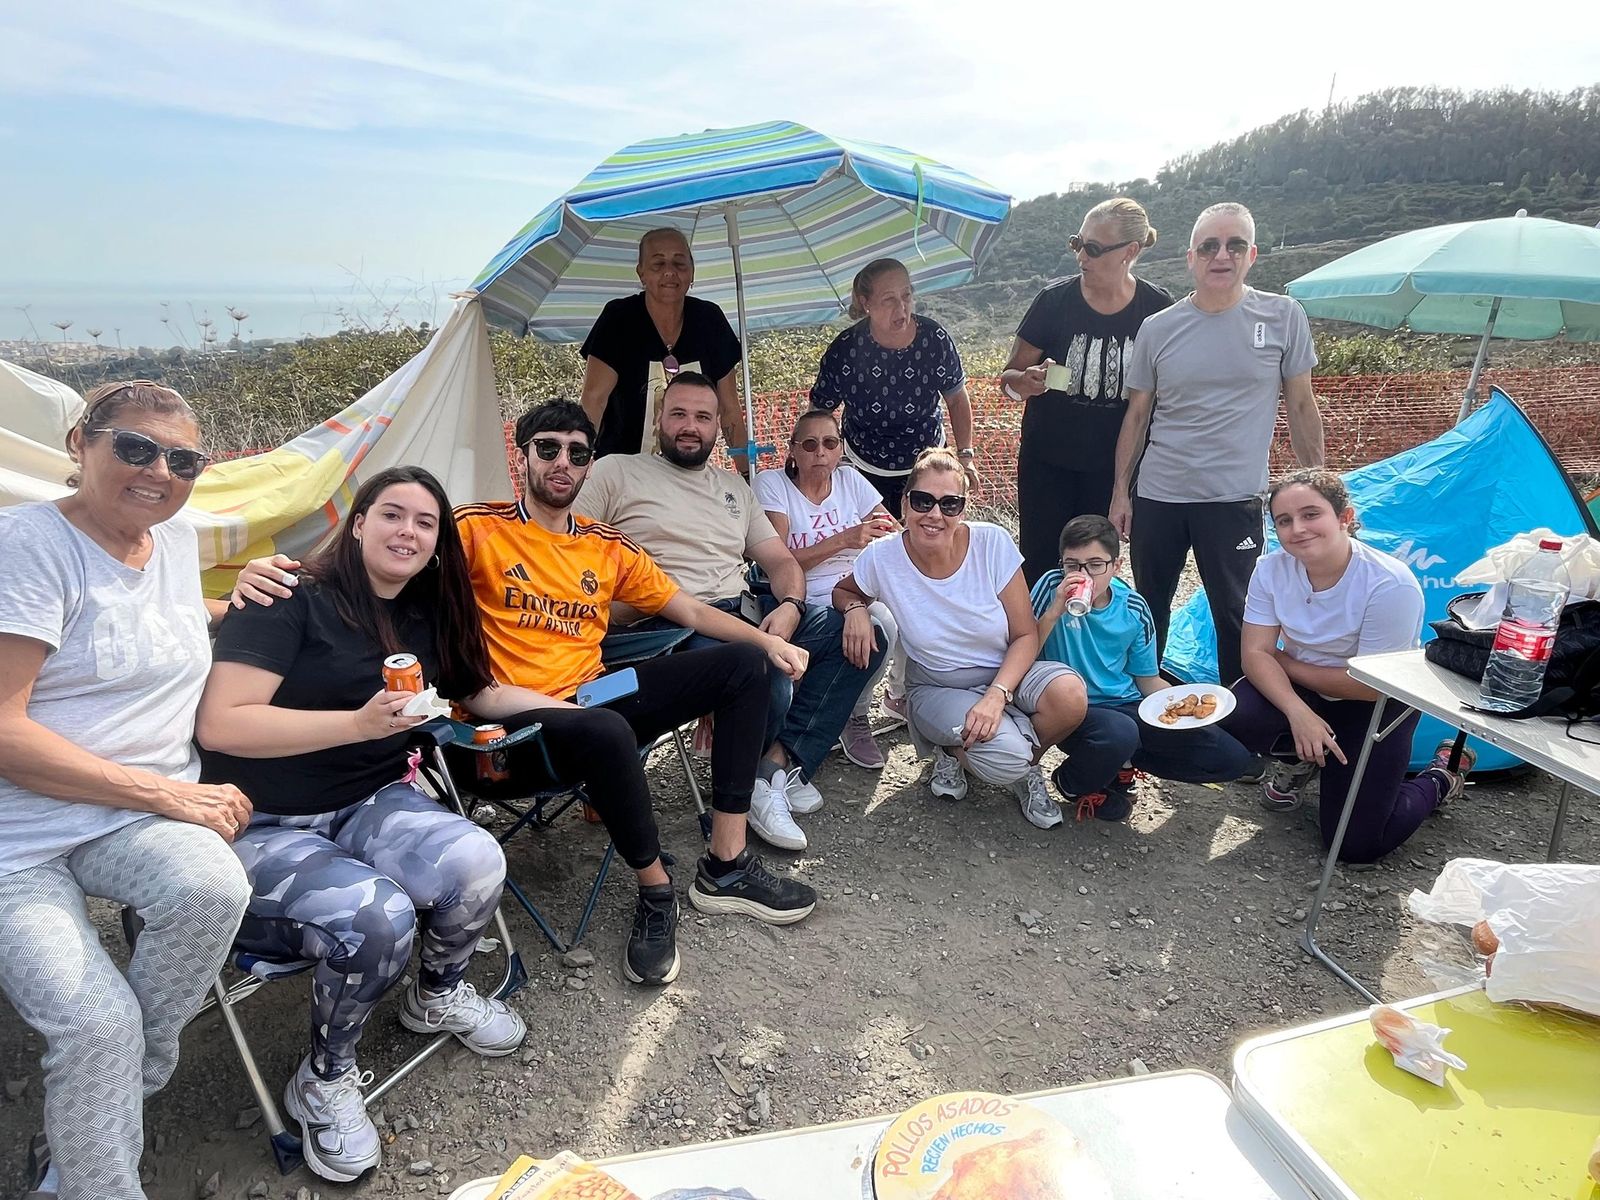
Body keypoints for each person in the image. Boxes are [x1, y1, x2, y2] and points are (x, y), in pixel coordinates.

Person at [197, 466, 537, 1183]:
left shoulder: (427, 612)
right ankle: (324, 1075)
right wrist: (355, 724)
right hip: (260, 821)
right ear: (357, 524)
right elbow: (222, 725)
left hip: (369, 799)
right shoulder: (288, 596)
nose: (407, 532)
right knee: (377, 917)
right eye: (392, 514)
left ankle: (436, 994)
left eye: (425, 522)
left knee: (477, 860)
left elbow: (466, 693)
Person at [452, 401, 818, 979]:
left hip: (594, 695)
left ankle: (725, 864)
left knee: (742, 665)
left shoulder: (604, 545)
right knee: (607, 728)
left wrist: (767, 642)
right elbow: (390, 555)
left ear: (588, 464)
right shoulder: (476, 529)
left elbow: (691, 609)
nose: (562, 463)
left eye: (577, 453)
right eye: (548, 448)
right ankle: (655, 889)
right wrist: (294, 571)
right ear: (522, 455)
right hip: (510, 727)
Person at [0, 381, 252, 1200]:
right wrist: (169, 796)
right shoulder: (31, 546)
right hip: (21, 837)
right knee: (95, 1023)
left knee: (214, 885)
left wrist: (232, 601)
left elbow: (152, 620)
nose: (158, 472)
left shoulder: (171, 540)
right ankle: (95, 1173)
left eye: (182, 459)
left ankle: (105, 1106)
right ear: (81, 442)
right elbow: (5, 733)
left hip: (125, 821)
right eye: (134, 448)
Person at [576, 372, 886, 852]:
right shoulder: (616, 471)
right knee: (767, 672)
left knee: (861, 637)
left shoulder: (735, 488)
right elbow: (568, 550)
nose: (689, 426)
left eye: (703, 417)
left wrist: (789, 605)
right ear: (659, 419)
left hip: (744, 612)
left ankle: (772, 768)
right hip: (664, 625)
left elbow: (781, 560)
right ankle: (747, 793)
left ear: (719, 426)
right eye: (678, 413)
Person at [1108, 201, 1325, 687]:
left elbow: (1303, 406)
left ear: (1252, 254)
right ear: (1191, 257)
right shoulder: (1157, 328)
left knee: (1238, 616)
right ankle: (1148, 723)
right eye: (1209, 246)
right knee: (1150, 611)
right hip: (1160, 495)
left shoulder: (1283, 316)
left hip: (1234, 498)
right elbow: (1137, 415)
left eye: (1233, 245)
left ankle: (1239, 730)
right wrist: (1121, 492)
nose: (1220, 255)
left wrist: (1322, 488)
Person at [1220, 470, 1473, 862]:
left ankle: (1440, 778)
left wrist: (1285, 661)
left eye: (1310, 514)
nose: (1297, 529)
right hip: (1309, 691)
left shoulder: (1389, 583)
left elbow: (1371, 687)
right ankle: (1304, 758)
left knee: (1357, 846)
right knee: (1238, 713)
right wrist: (1297, 711)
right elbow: (1253, 654)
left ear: (1344, 517)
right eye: (1284, 521)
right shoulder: (1270, 568)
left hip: (1377, 705)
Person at [833, 448, 1089, 830]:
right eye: (922, 501)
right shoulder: (882, 557)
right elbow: (844, 591)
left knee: (1070, 697)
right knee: (1003, 758)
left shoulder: (992, 544)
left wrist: (996, 697)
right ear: (904, 503)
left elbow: (1024, 635)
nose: (934, 514)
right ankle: (961, 750)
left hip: (1006, 670)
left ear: (963, 510)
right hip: (938, 683)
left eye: (949, 504)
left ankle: (1023, 763)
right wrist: (854, 611)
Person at [1031, 515, 1254, 822]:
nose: (1083, 574)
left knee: (1231, 758)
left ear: (1116, 566)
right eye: (1073, 565)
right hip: (1071, 707)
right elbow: (1023, 649)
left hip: (1125, 704)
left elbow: (1147, 679)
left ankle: (1121, 762)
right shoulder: (1050, 588)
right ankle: (1072, 783)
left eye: (1095, 564)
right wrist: (1056, 610)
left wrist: (1185, 708)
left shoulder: (1133, 607)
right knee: (1120, 733)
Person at [998, 198, 1174, 586]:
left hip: (1113, 472)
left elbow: (1167, 398)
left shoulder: (1158, 309)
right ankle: (1040, 645)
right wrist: (1023, 383)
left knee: (1095, 570)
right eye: (1077, 242)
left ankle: (1089, 645)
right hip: (1047, 466)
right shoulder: (1054, 301)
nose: (1081, 256)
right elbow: (1008, 378)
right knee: (1043, 570)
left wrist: (1124, 488)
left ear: (1130, 252)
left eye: (1093, 248)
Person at [753, 409, 905, 770]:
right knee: (881, 620)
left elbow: (893, 529)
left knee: (908, 608)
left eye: (829, 443)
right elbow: (781, 559)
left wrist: (882, 536)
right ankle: (854, 715)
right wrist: (846, 538)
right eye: (809, 443)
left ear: (841, 450)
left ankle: (885, 703)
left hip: (860, 582)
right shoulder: (773, 485)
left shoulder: (851, 480)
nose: (820, 452)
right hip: (806, 591)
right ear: (792, 451)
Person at [809, 258, 978, 516]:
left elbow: (956, 398)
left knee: (929, 542)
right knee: (877, 546)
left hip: (928, 463)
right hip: (863, 468)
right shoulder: (845, 349)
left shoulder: (935, 339)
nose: (901, 307)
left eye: (906, 296)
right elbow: (819, 412)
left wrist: (965, 455)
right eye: (889, 299)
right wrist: (827, 462)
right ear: (866, 303)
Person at [579, 227, 749, 469]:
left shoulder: (709, 320)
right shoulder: (618, 319)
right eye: (658, 264)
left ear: (692, 272)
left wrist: (746, 473)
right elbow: (594, 401)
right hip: (620, 470)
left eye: (680, 264)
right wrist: (580, 465)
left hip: (688, 473)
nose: (670, 272)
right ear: (641, 273)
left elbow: (729, 408)